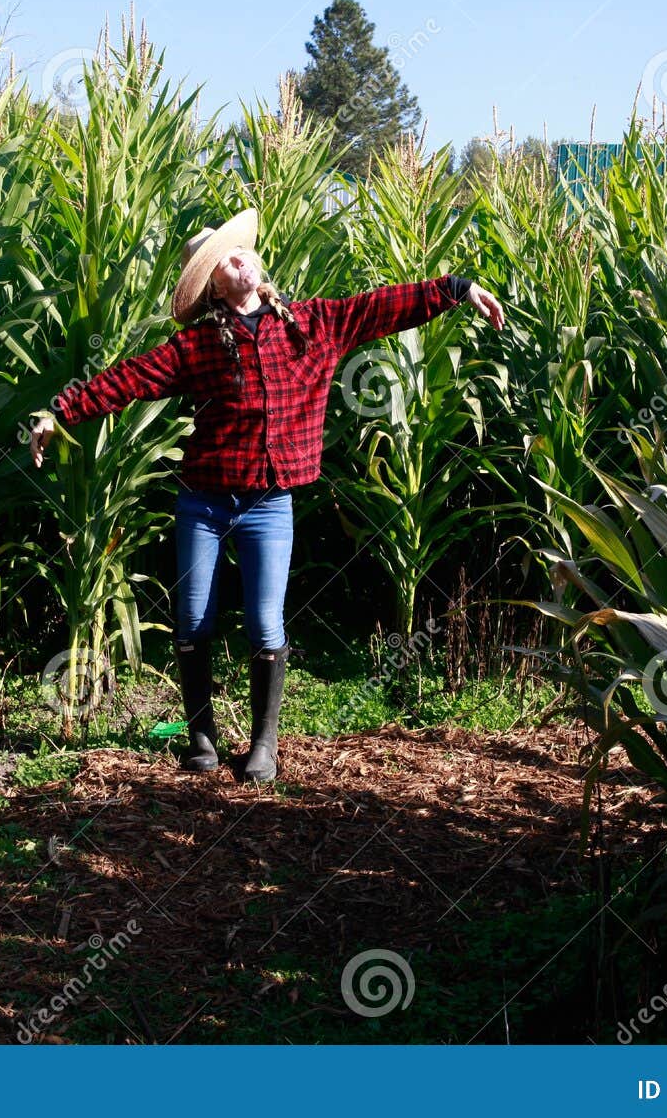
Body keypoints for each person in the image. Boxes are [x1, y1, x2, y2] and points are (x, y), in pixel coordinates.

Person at [29, 207, 504, 782]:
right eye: (225, 260)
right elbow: (130, 378)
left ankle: (263, 745)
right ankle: (201, 735)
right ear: (213, 287)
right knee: (193, 620)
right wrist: (61, 410)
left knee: (264, 623)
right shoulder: (197, 345)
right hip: (203, 501)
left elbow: (381, 307)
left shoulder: (311, 325)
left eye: (241, 251)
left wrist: (456, 289)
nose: (240, 258)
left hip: (269, 503)